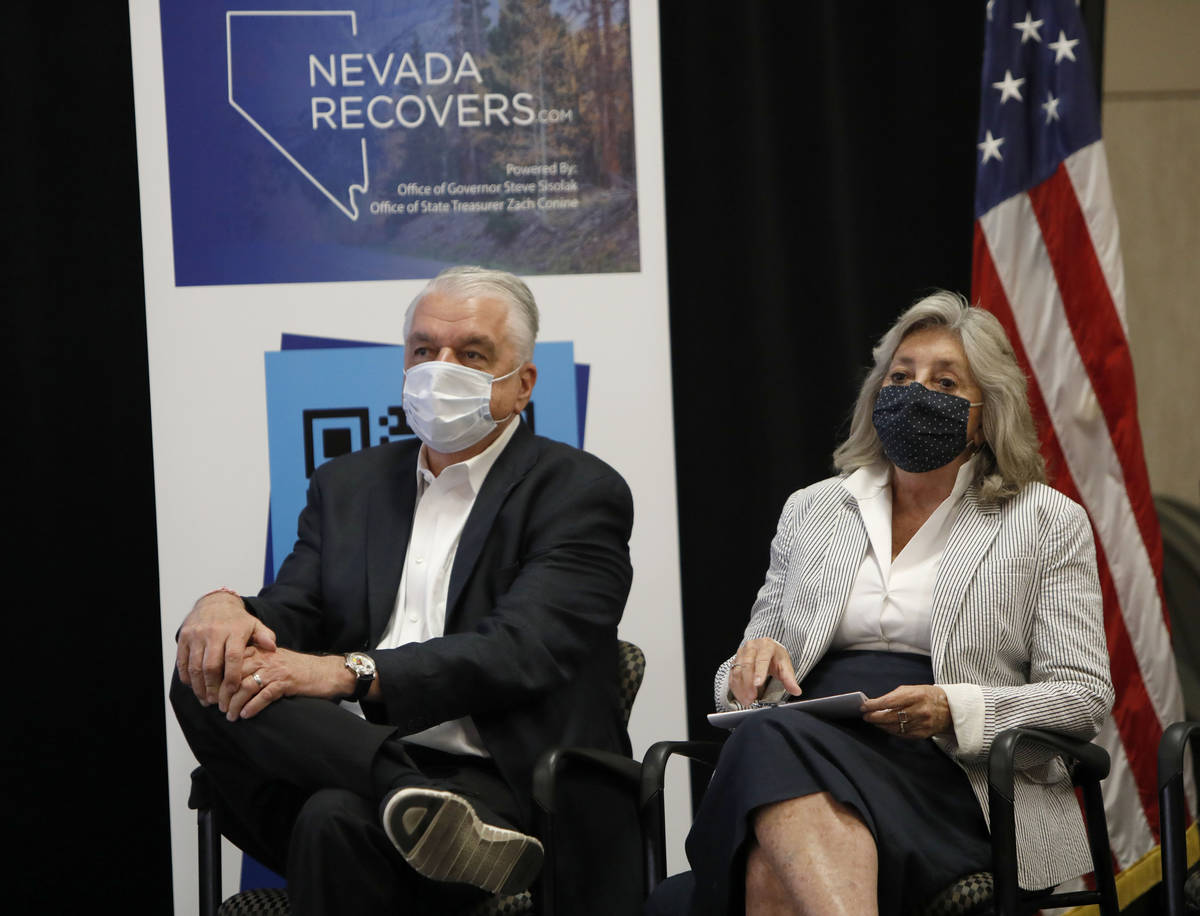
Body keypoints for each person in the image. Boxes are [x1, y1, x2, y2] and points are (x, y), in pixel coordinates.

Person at [171, 266, 635, 916]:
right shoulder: (348, 485)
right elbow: (290, 613)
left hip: (507, 789)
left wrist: (348, 674)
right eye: (424, 351)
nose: (440, 369)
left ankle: (408, 801)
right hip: (344, 763)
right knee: (204, 666)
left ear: (522, 384)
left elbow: (521, 651)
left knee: (333, 820)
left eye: (471, 354)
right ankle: (398, 786)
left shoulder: (579, 492)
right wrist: (226, 611)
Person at [655, 291, 1113, 916]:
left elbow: (1083, 698)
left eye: (943, 381)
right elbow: (739, 682)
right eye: (900, 377)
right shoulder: (813, 510)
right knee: (771, 738)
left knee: (765, 793)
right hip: (809, 742)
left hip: (958, 777)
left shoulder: (1044, 522)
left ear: (985, 414)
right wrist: (749, 671)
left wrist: (952, 708)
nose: (915, 391)